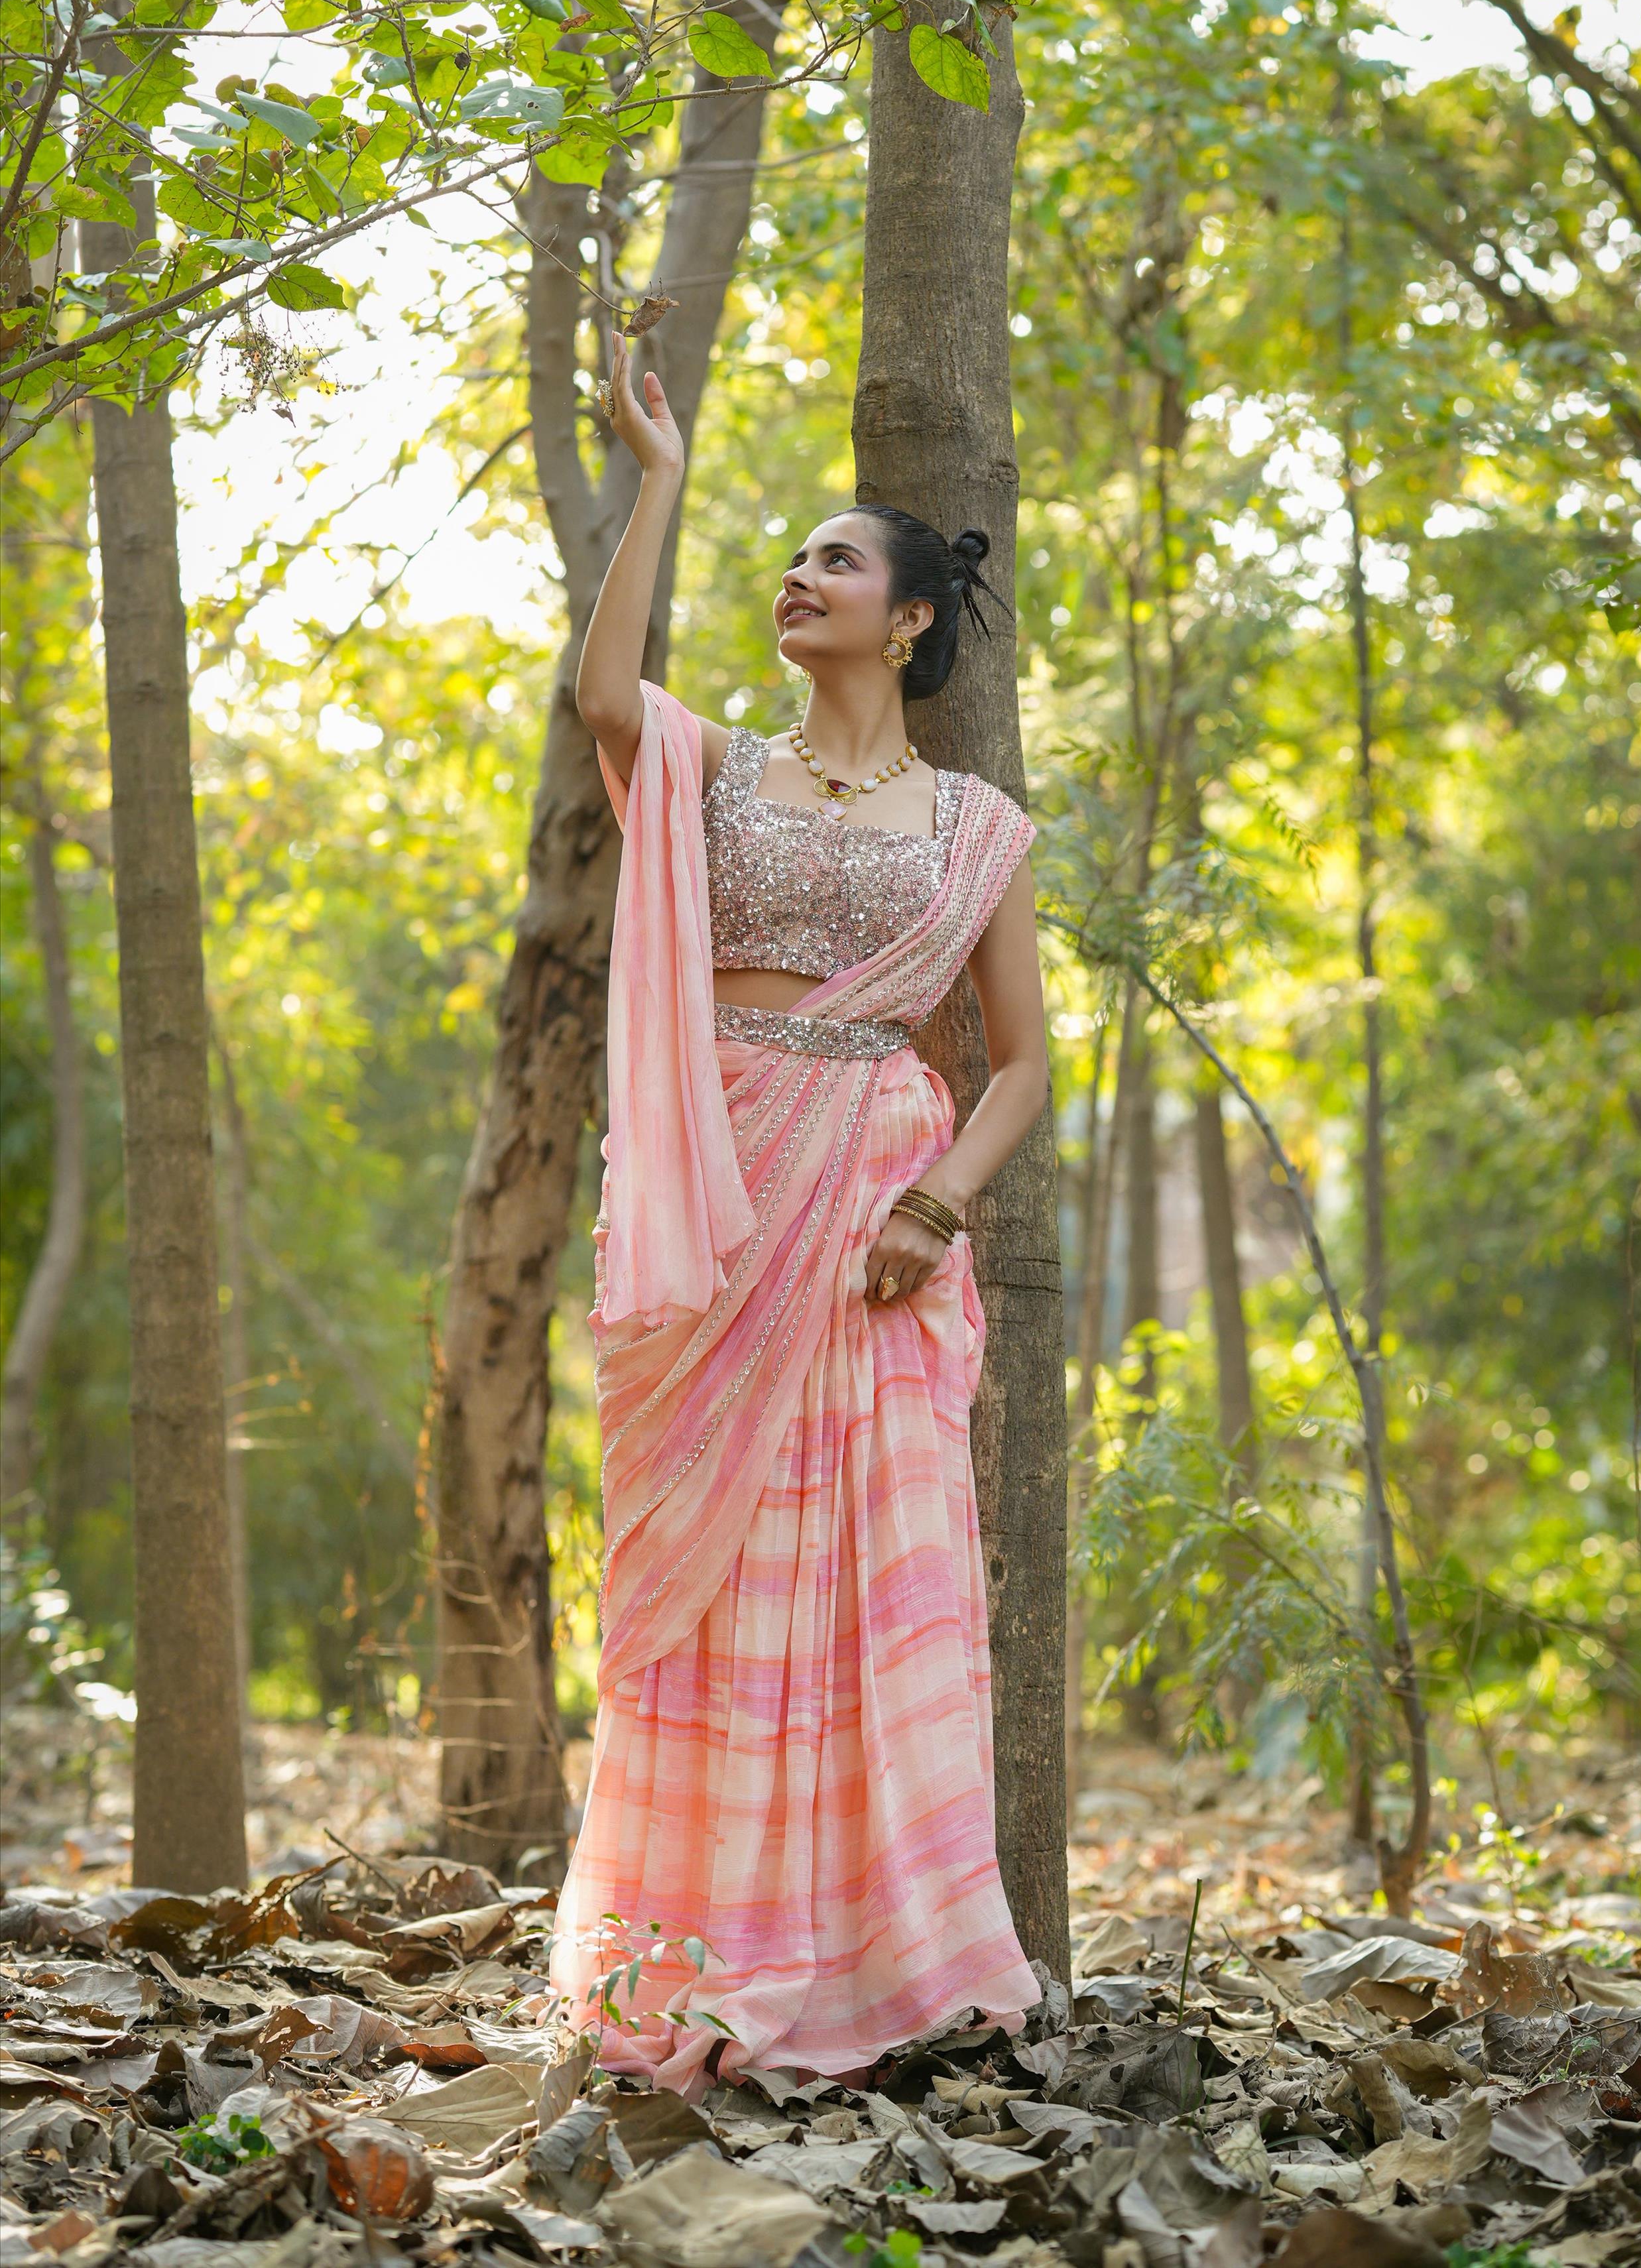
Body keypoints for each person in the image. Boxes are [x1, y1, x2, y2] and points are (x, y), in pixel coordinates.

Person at [547, 330, 1049, 2095]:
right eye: (791, 556)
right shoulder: (709, 767)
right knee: (712, 1577)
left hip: (880, 1236)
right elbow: (605, 696)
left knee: (878, 1579)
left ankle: (902, 1964)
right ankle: (689, 1965)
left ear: (909, 617)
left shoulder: (977, 828)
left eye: (835, 558)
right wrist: (660, 478)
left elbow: (1016, 1069)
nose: (801, 574)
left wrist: (937, 1209)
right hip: (721, 1199)